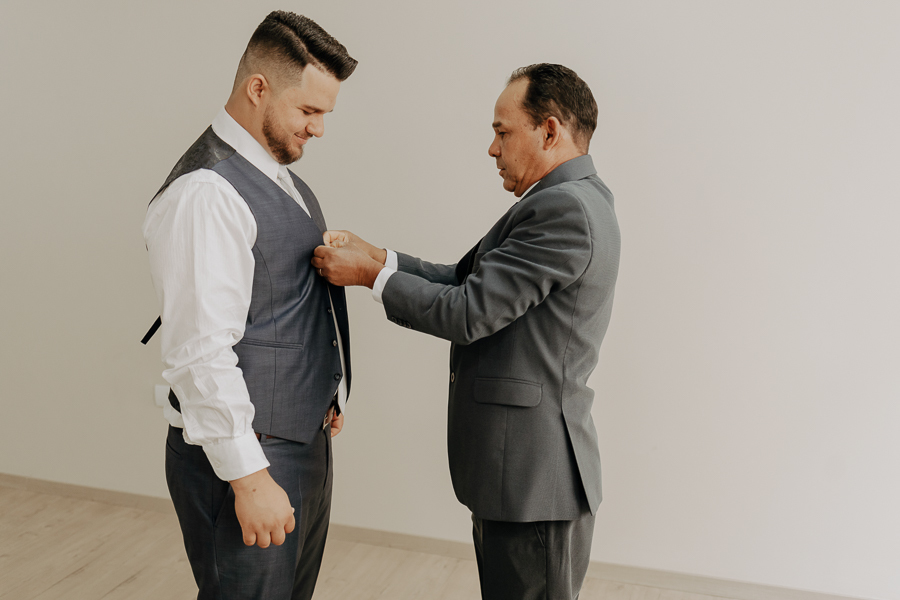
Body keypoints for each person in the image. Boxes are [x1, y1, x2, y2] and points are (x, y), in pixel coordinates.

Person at [313, 63, 620, 600]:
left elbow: (467, 312)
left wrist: (370, 277)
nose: (492, 148)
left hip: (533, 482)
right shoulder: (568, 200)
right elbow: (465, 279)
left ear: (550, 131)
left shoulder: (564, 209)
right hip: (519, 479)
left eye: (503, 132)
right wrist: (380, 256)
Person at [142, 11, 357, 600]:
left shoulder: (280, 177)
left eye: (325, 115)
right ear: (257, 88)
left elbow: (276, 308)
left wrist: (323, 393)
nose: (318, 130)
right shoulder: (206, 193)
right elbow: (200, 351)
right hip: (248, 459)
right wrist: (249, 476)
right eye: (308, 111)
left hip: (297, 443)